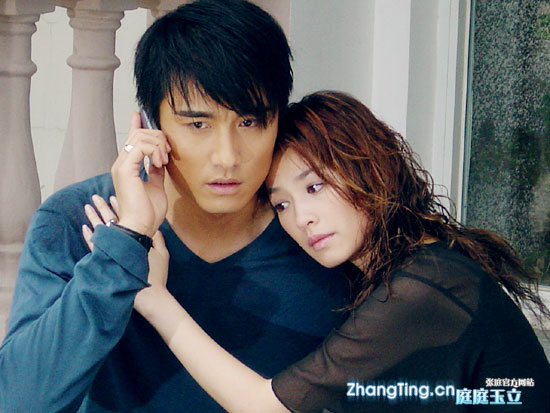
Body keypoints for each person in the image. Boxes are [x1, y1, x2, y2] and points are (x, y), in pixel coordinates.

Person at [84, 91, 550, 412]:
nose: (301, 218)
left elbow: (265, 406)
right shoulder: (401, 268)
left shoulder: (423, 286)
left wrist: (154, 298)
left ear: (369, 166)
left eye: (315, 186)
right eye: (282, 204)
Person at [0, 2, 351, 411]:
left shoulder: (319, 234)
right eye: (198, 124)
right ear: (152, 125)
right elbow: (18, 401)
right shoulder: (77, 219)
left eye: (249, 122)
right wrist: (125, 244)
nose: (227, 157)